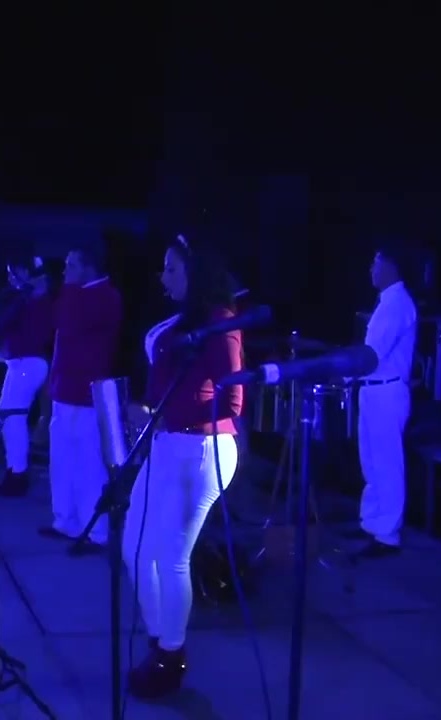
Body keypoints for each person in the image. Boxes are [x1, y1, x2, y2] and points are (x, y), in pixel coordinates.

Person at [122, 236, 244, 699]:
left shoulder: (220, 322)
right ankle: (160, 641)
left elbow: (232, 401)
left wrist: (163, 415)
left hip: (201, 450)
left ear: (196, 273)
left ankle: (169, 656)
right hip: (169, 445)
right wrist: (148, 411)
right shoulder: (184, 322)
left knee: (169, 555)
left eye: (172, 269)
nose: (163, 277)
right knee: (134, 547)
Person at [40, 247, 122, 550]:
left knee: (88, 465)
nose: (65, 272)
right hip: (64, 391)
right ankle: (66, 522)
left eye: (71, 265)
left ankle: (95, 531)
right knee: (62, 461)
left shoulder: (106, 296)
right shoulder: (75, 295)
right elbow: (56, 325)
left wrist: (69, 290)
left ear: (89, 268)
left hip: (87, 395)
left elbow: (68, 321)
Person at [346, 246, 417, 558]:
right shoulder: (388, 302)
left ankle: (387, 535)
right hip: (374, 390)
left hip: (386, 392)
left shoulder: (397, 304)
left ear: (392, 266)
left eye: (376, 263)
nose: (371, 270)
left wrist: (344, 371)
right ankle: (373, 522)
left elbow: (373, 354)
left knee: (386, 463)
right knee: (372, 462)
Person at [0, 257, 54, 498]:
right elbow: (4, 326)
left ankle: (18, 475)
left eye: (14, 273)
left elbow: (33, 336)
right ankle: (14, 471)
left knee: (13, 418)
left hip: (30, 363)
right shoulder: (25, 300)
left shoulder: (39, 301)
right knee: (6, 417)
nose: (10, 279)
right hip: (19, 363)